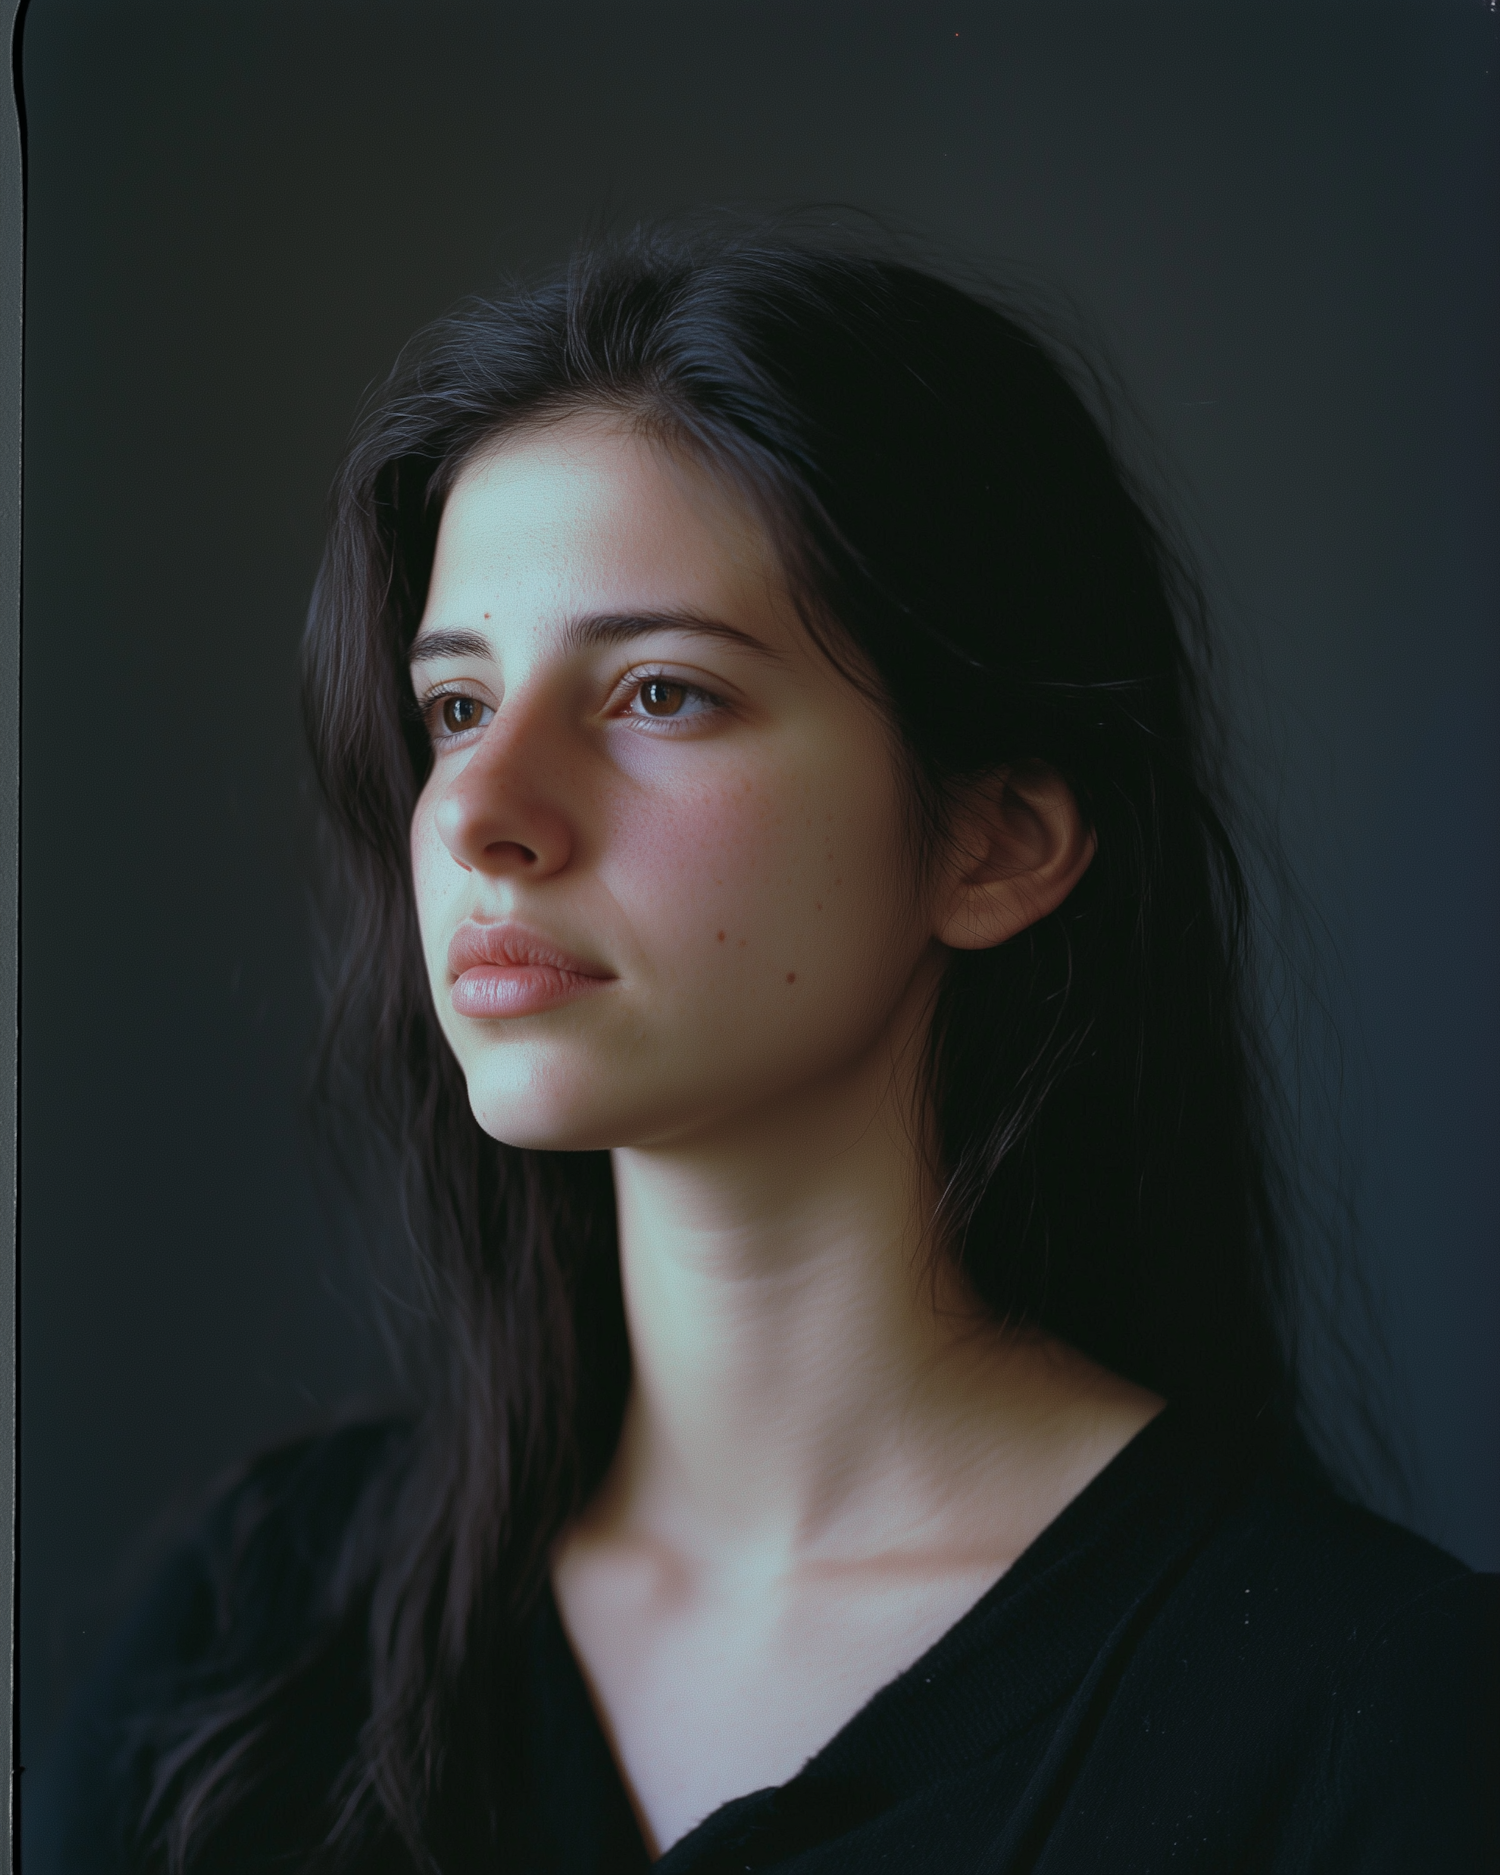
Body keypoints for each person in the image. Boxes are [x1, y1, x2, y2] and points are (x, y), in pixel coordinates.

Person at [27, 228, 1496, 1873]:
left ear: (997, 840)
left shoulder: (1371, 1723)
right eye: (453, 707)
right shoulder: (247, 1636)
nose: (482, 815)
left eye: (658, 693)